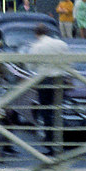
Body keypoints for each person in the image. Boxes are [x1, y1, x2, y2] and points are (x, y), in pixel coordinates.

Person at [27, 22, 69, 153]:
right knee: (58, 111)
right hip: (60, 80)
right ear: (48, 32)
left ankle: (50, 144)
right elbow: (69, 62)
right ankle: (60, 140)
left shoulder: (36, 46)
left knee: (46, 113)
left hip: (45, 80)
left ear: (36, 34)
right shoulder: (61, 44)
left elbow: (31, 66)